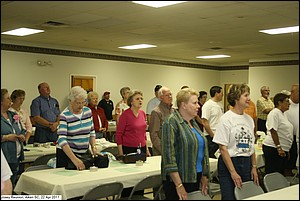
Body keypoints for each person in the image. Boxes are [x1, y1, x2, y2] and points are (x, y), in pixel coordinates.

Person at [161, 88, 210, 200]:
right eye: (194, 103)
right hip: (180, 179)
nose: (198, 106)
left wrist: (204, 175)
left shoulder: (193, 122)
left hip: (195, 176)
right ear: (183, 105)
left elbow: (201, 151)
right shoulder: (171, 123)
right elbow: (169, 158)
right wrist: (179, 185)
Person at [213, 84, 259, 200]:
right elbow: (223, 148)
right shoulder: (226, 119)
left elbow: (251, 146)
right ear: (236, 98)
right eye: (246, 95)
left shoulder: (249, 119)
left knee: (246, 196)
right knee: (229, 197)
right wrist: (233, 172)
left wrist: (254, 167)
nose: (249, 98)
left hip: (246, 162)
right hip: (230, 163)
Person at [116, 90, 151, 197]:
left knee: (140, 178)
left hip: (142, 148)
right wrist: (121, 153)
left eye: (141, 98)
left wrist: (147, 150)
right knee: (130, 180)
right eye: (137, 99)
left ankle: (139, 197)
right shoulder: (125, 115)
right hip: (128, 149)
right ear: (131, 101)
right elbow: (119, 135)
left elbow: (143, 133)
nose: (140, 101)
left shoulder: (142, 113)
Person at [56, 86, 98, 170]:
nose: (81, 106)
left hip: (84, 152)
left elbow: (92, 132)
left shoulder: (87, 111)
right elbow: (62, 140)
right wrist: (74, 160)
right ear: (70, 101)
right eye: (78, 103)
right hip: (68, 155)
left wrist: (93, 147)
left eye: (83, 102)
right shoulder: (65, 115)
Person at [262, 93, 293, 175]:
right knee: (274, 174)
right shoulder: (274, 113)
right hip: (273, 148)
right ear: (279, 103)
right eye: (287, 101)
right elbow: (273, 130)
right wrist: (279, 148)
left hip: (282, 148)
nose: (289, 103)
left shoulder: (282, 114)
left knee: (280, 173)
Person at [1, 89, 26, 187]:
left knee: (13, 184)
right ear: (1, 102)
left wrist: (22, 135)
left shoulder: (13, 115)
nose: (10, 100)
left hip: (16, 157)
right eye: (7, 98)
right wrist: (6, 137)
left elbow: (21, 129)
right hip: (5, 158)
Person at [149, 86, 174, 156]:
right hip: (161, 152)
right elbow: (154, 134)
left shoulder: (174, 111)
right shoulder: (156, 112)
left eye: (170, 94)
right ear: (161, 97)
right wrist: (164, 150)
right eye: (167, 95)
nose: (170, 97)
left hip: (174, 150)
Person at [201, 86, 224, 158]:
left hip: (219, 136)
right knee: (212, 158)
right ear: (217, 94)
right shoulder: (207, 105)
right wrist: (213, 135)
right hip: (211, 137)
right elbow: (205, 122)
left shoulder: (220, 104)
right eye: (221, 93)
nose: (223, 95)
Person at [284, 84, 299, 176]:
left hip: (298, 137)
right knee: (290, 158)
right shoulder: (286, 104)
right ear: (292, 92)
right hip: (289, 137)